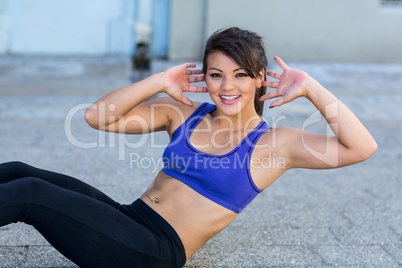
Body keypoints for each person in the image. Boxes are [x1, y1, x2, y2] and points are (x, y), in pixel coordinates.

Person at [0, 27, 377, 267]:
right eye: (217, 75)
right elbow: (97, 117)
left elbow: (361, 148)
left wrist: (311, 87)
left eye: (241, 75)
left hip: (155, 250)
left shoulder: (275, 144)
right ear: (205, 77)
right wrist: (160, 80)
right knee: (19, 170)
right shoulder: (184, 114)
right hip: (129, 217)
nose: (228, 87)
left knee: (32, 195)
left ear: (260, 79)